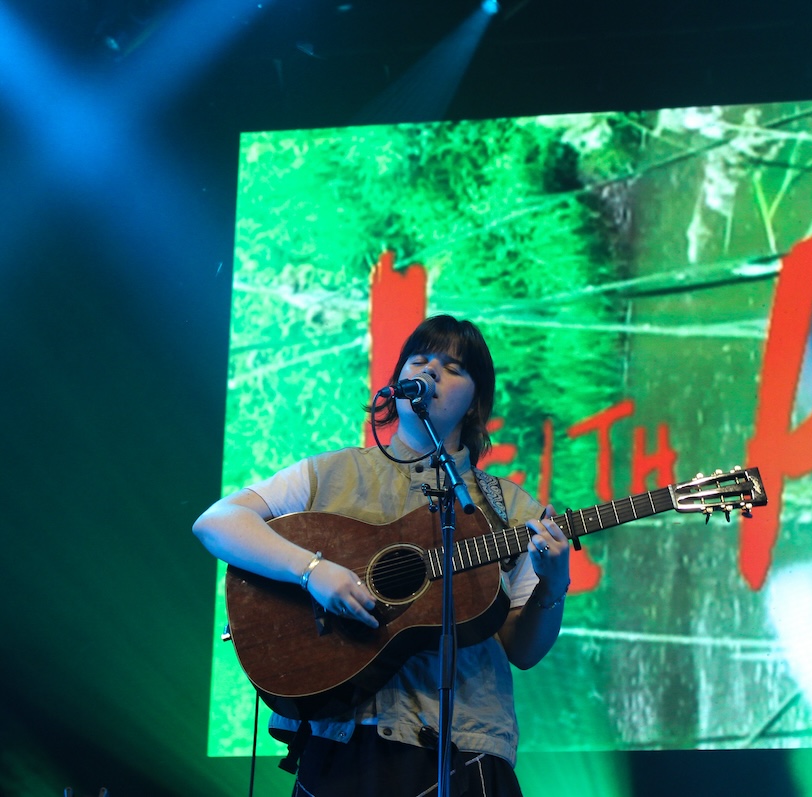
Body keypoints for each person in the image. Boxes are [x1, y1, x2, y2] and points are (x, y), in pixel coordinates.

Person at [193, 314, 571, 797]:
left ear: (475, 401)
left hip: (463, 751)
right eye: (420, 359)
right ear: (396, 385)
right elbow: (217, 522)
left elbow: (523, 649)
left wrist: (553, 585)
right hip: (343, 743)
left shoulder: (511, 509)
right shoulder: (332, 474)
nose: (430, 371)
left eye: (452, 366)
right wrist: (311, 571)